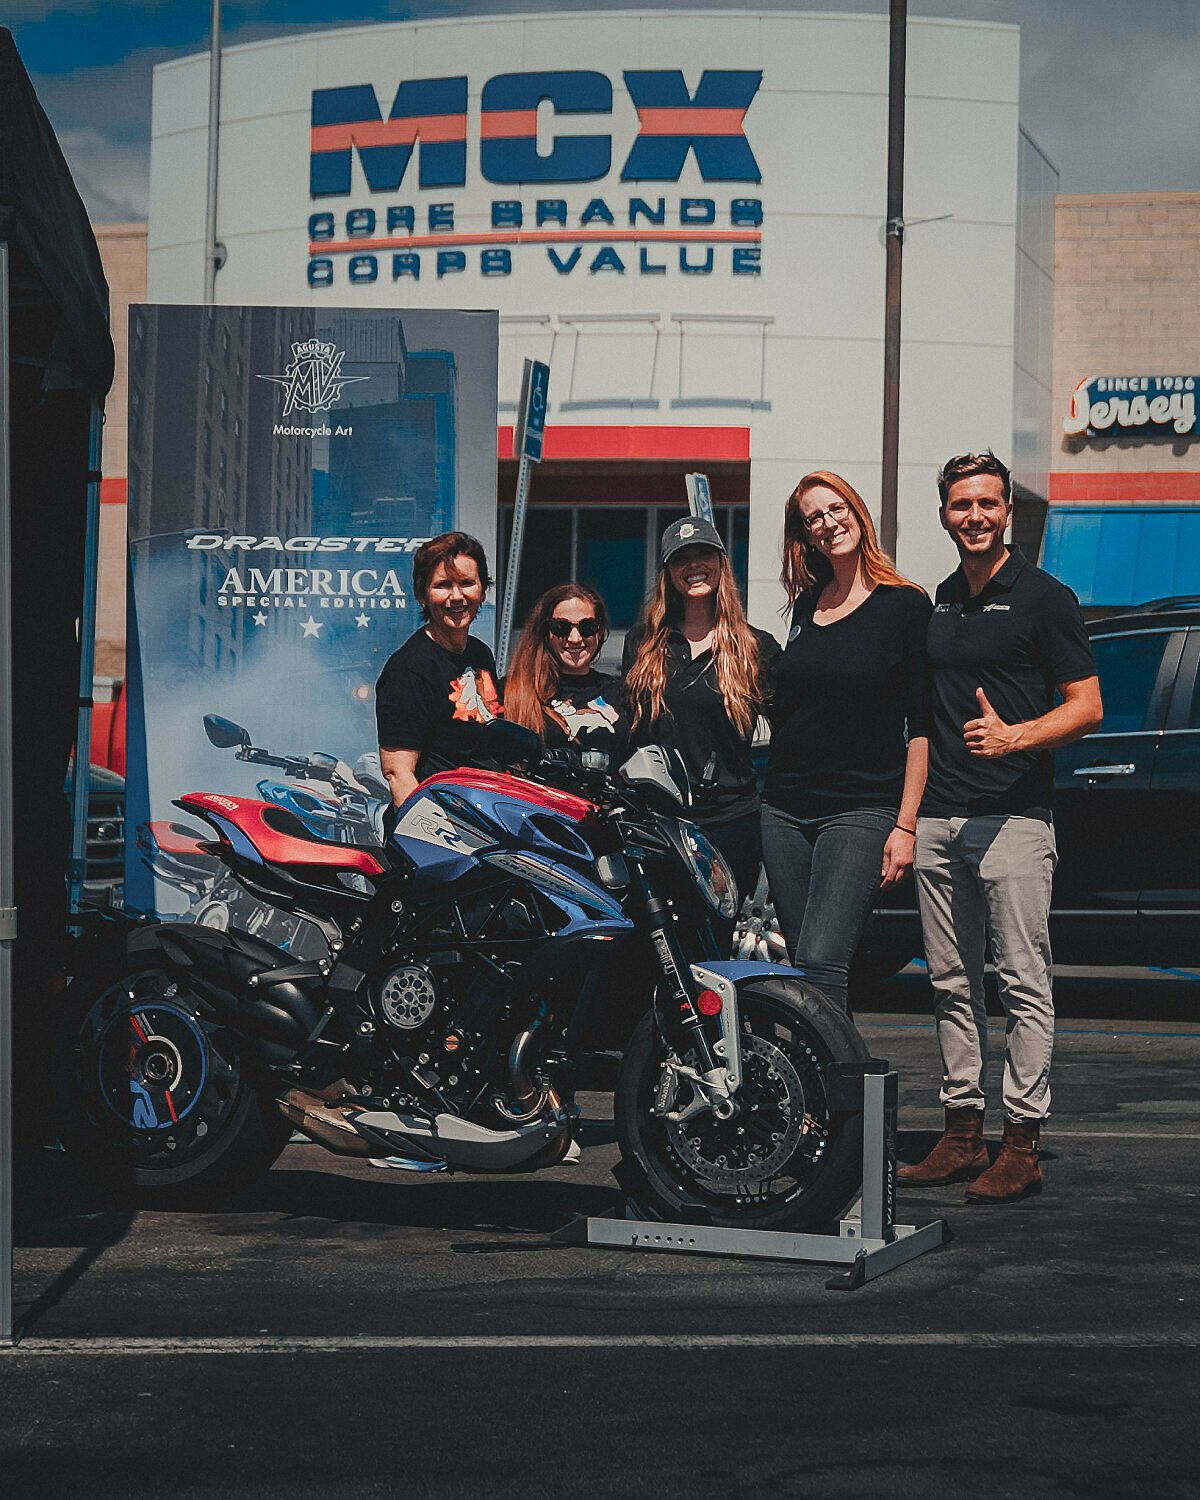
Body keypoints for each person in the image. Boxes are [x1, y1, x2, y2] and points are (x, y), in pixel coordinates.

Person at [900, 451, 1102, 1203]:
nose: (975, 517)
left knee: (1022, 983)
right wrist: (910, 820)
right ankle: (960, 1133)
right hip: (941, 821)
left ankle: (1021, 1143)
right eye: (962, 505)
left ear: (1007, 511)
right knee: (950, 985)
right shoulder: (942, 603)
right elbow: (922, 720)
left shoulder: (1046, 597)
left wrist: (1015, 737)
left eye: (988, 504)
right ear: (944, 513)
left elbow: (1088, 706)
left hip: (1014, 819)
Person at [760, 472, 931, 1014]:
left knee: (822, 958)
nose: (829, 523)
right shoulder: (807, 606)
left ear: (858, 513)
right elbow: (792, 709)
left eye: (836, 509)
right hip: (784, 808)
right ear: (806, 537)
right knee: (802, 964)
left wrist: (906, 826)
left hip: (861, 807)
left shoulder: (905, 606)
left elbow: (921, 726)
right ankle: (814, 1090)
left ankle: (839, 1094)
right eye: (815, 518)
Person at [622, 516, 780, 912]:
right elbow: (628, 733)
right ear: (668, 573)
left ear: (722, 563)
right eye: (681, 558)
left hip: (731, 822)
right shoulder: (643, 643)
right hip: (658, 822)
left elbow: (796, 736)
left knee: (717, 940)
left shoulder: (755, 647)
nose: (694, 565)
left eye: (704, 554)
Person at [375, 531, 503, 820]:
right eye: (443, 585)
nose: (456, 596)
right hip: (439, 834)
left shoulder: (480, 654)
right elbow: (398, 774)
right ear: (423, 595)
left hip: (484, 822)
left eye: (467, 583)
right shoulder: (408, 670)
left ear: (482, 590)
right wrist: (434, 835)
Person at [502, 582, 625, 758]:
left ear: (600, 631)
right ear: (545, 631)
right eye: (561, 627)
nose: (575, 638)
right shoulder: (512, 691)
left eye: (587, 627)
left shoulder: (621, 694)